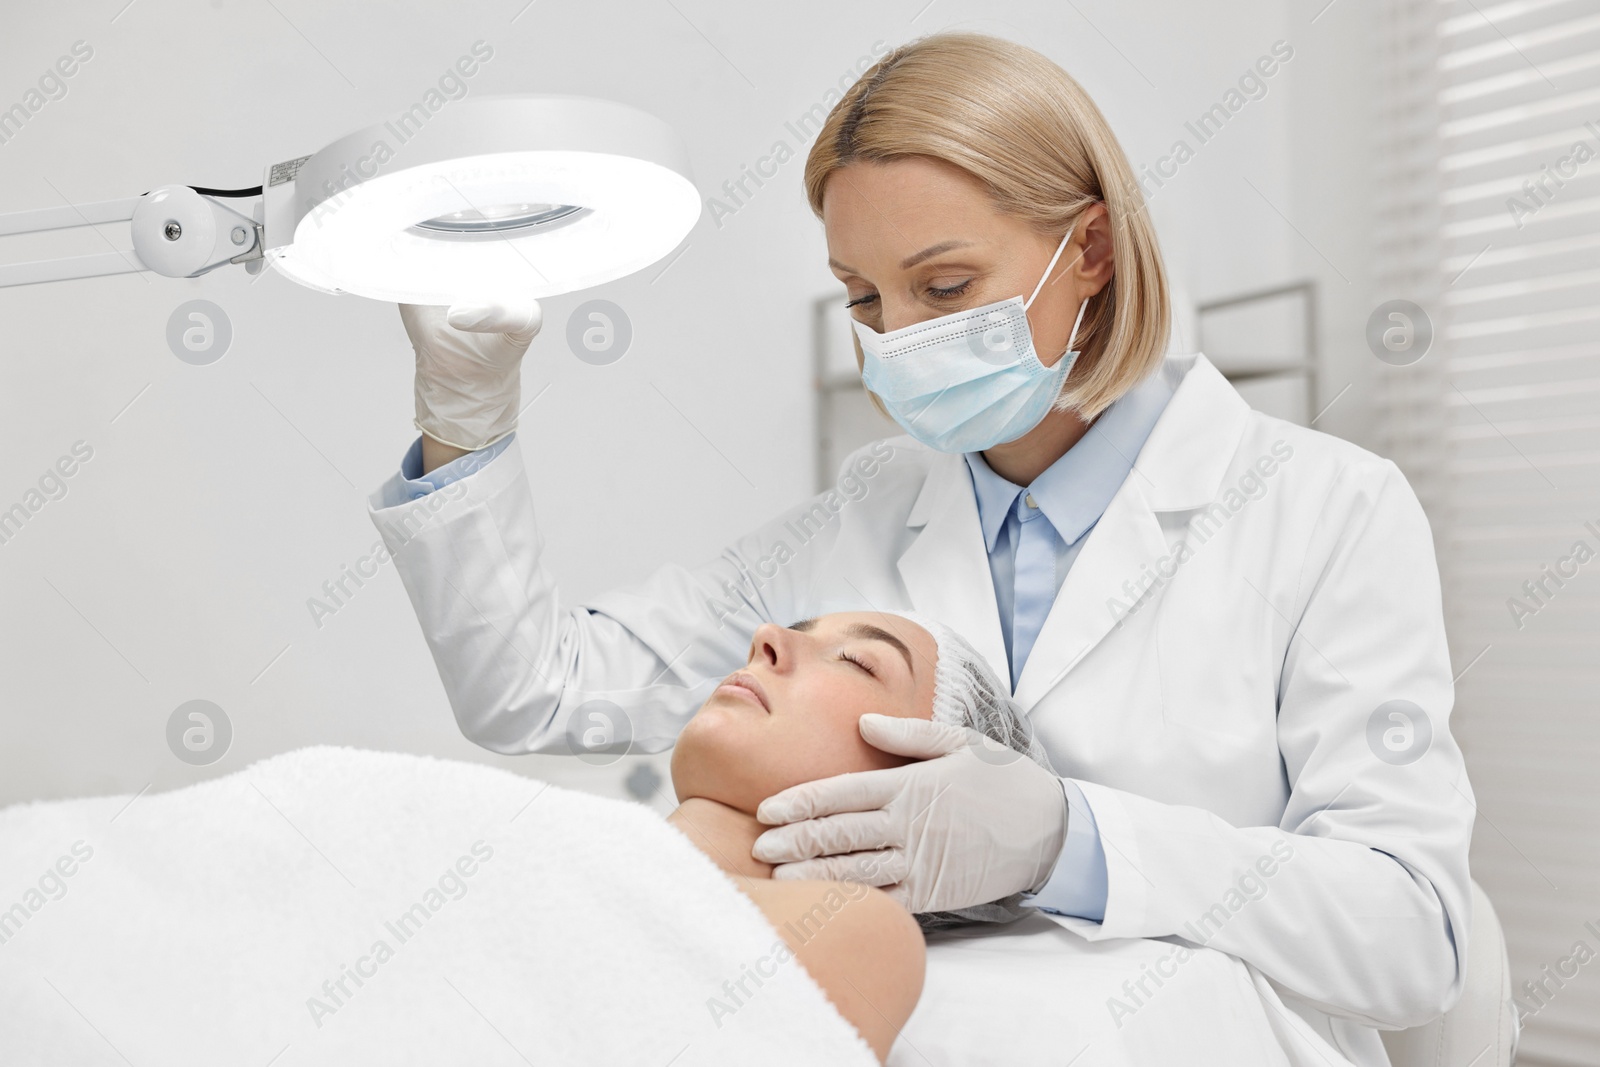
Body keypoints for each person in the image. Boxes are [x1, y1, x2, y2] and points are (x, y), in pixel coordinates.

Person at [368, 31, 1475, 1064]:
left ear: (1087, 249)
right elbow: (537, 690)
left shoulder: (1326, 509)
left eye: (944, 287)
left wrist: (1067, 840)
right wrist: (466, 418)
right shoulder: (863, 509)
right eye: (864, 296)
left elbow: (1412, 934)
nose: (898, 338)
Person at [666, 606, 1051, 1064]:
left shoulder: (860, 942)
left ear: (925, 793)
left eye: (856, 661)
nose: (766, 637)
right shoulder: (573, 835)